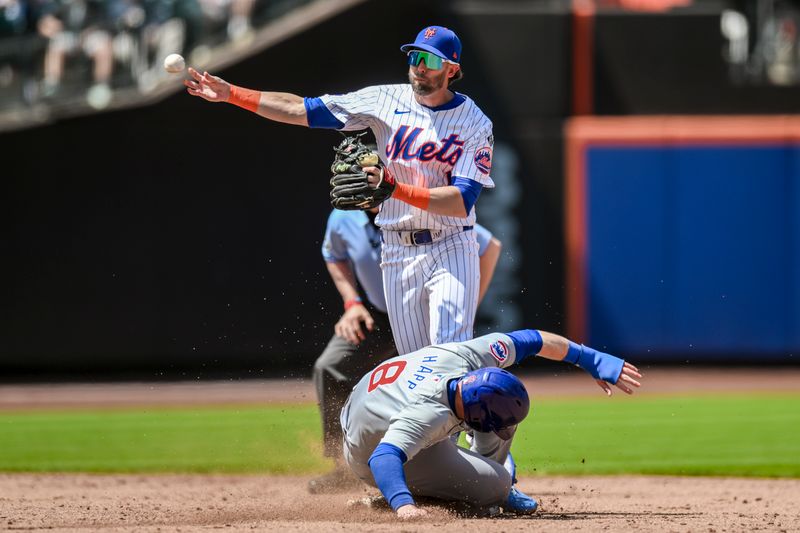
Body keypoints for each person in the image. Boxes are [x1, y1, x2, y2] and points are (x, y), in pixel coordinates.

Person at [183, 25, 496, 356]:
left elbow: (462, 202)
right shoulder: (384, 98)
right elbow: (303, 109)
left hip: (450, 245)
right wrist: (232, 94)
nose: (418, 66)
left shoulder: (475, 123)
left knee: (449, 356)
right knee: (415, 370)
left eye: (430, 60)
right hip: (397, 249)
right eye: (415, 56)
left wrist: (394, 189)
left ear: (452, 68)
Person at [339, 329, 643, 519]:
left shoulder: (466, 357)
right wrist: (405, 508)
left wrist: (590, 359)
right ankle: (402, 496)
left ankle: (479, 481)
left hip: (367, 402)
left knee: (505, 412)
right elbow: (383, 457)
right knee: (494, 486)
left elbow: (532, 339)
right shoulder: (428, 414)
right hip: (367, 451)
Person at [309, 203, 502, 494]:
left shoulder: (418, 209)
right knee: (330, 367)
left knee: (450, 383)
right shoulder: (343, 217)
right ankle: (342, 469)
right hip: (375, 316)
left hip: (426, 312)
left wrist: (467, 306)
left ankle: (470, 464)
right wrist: (352, 303)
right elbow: (333, 255)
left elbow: (490, 246)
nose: (363, 188)